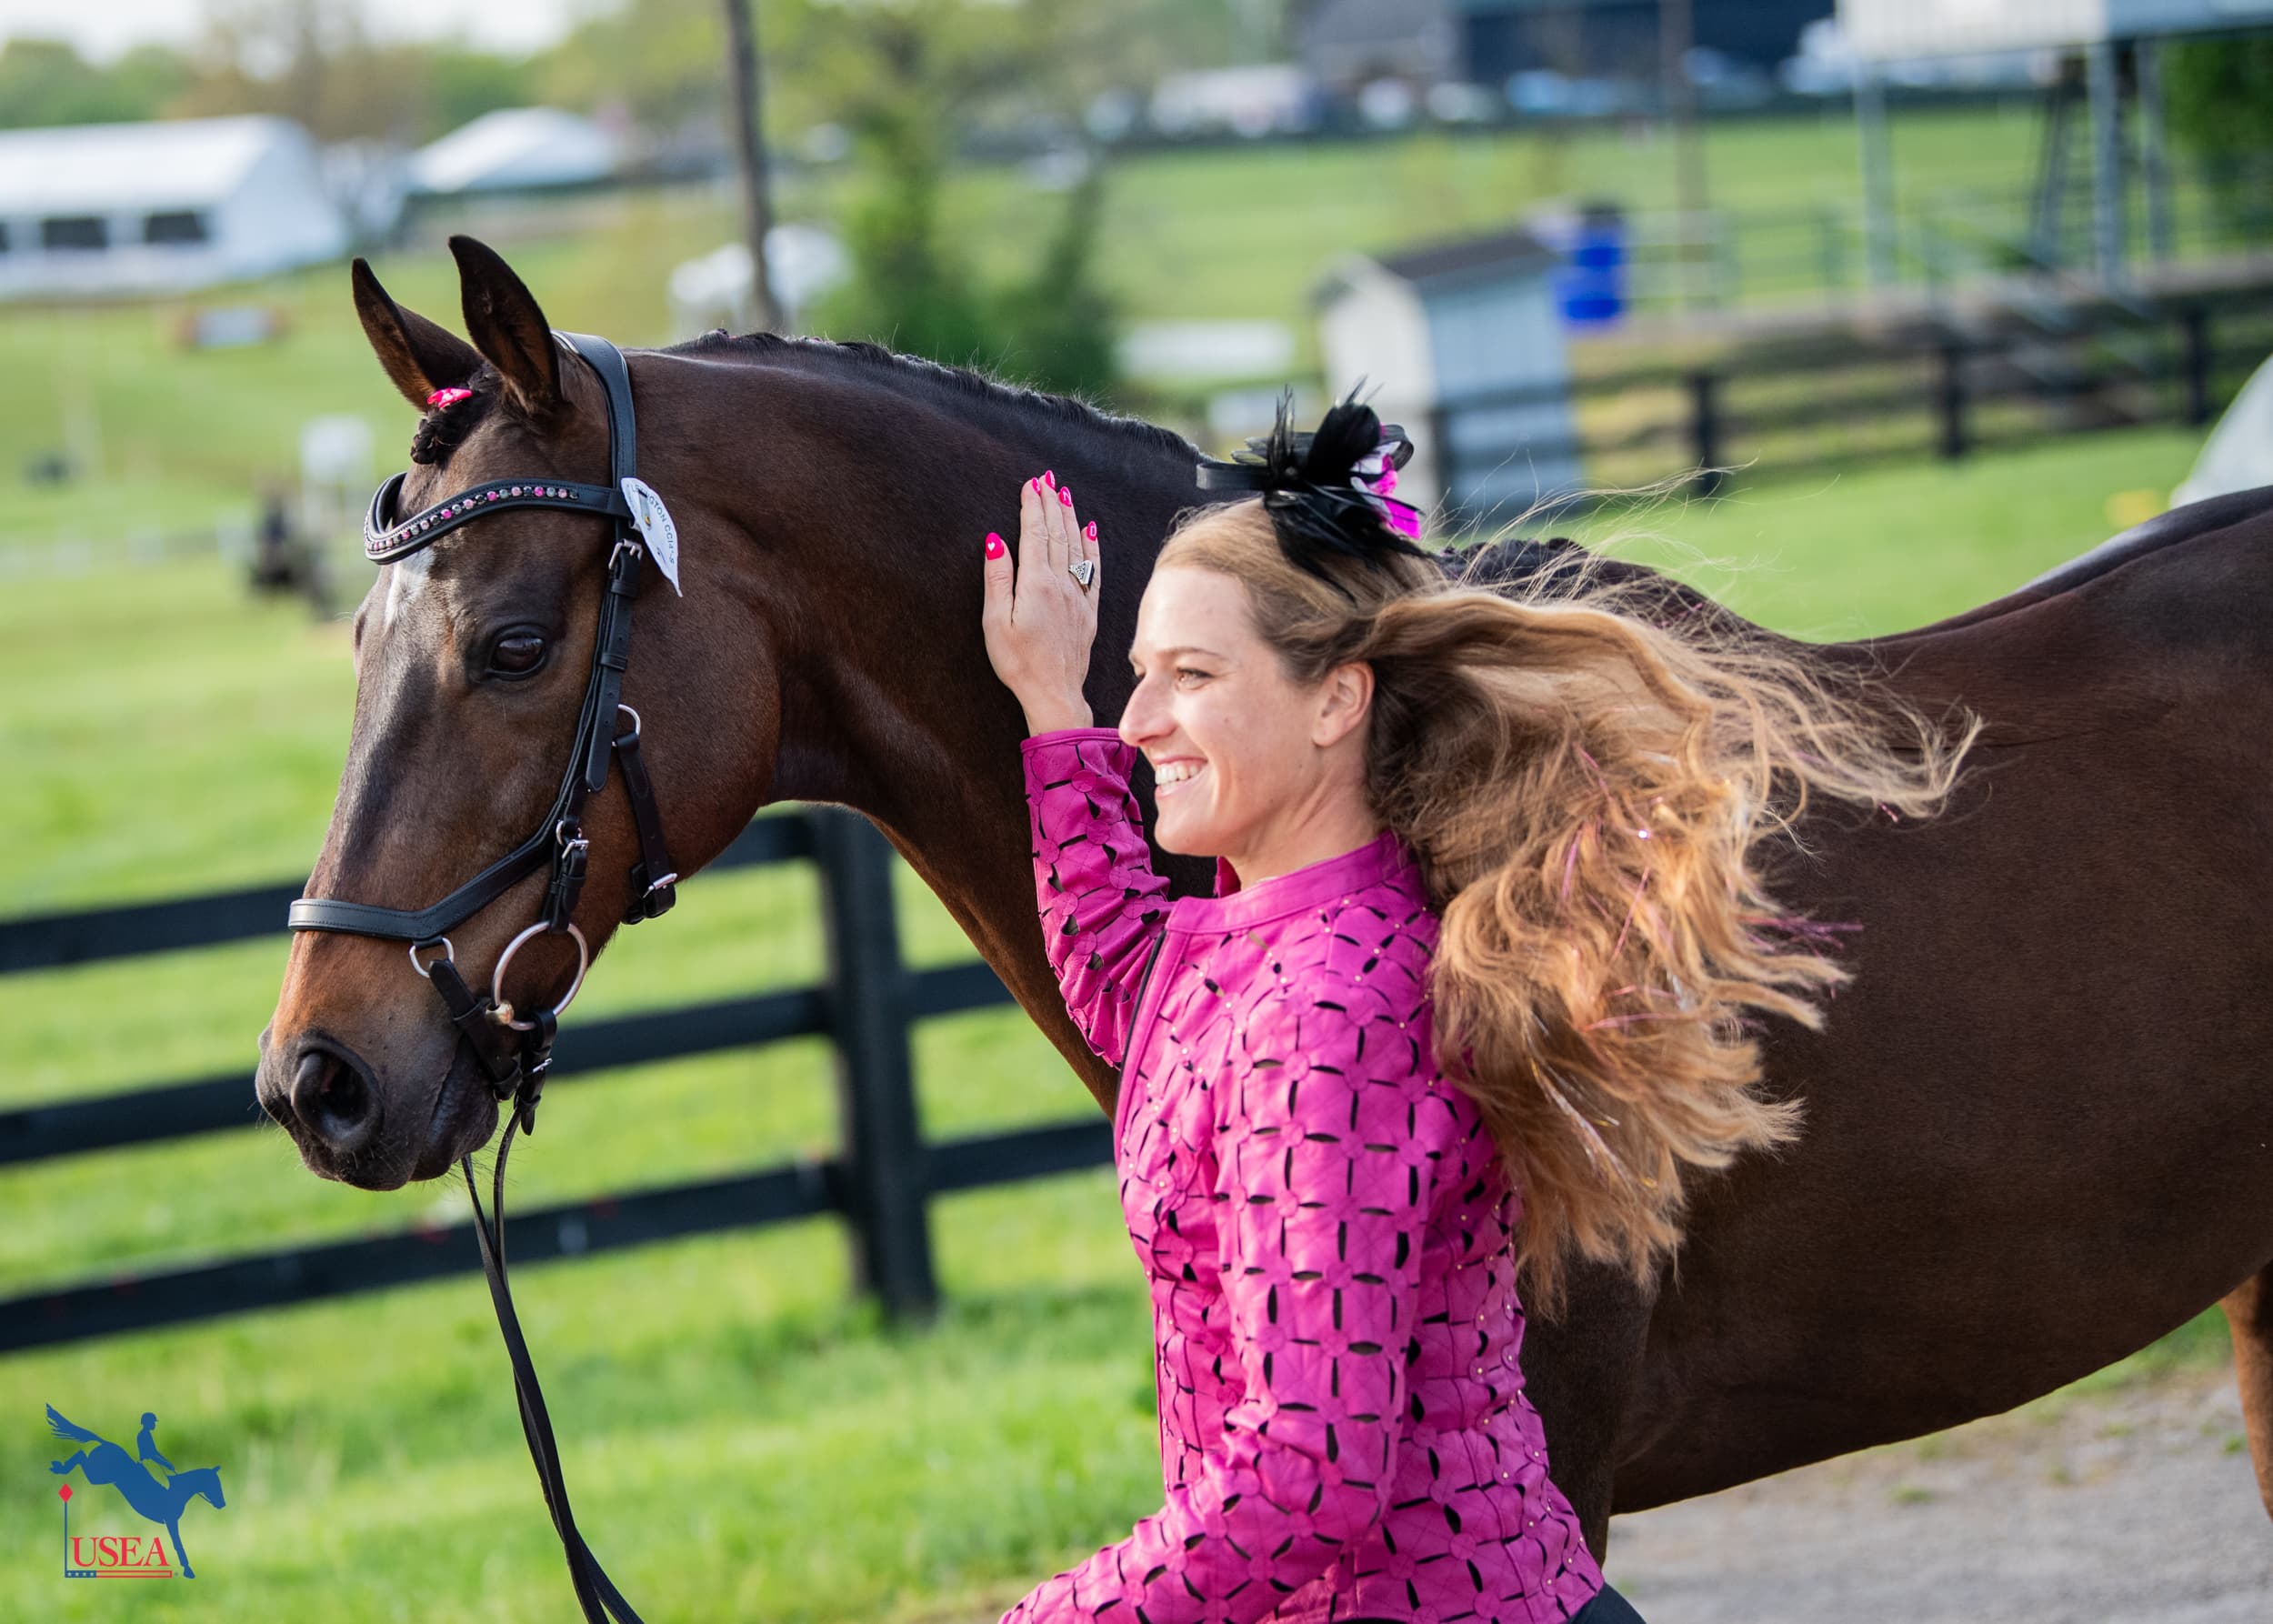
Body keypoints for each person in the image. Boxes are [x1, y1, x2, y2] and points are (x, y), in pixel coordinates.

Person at [978, 395, 1976, 1624]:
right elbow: (1130, 989)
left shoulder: (1333, 1010)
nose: (1139, 723)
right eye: (1138, 677)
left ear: (1337, 701)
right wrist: (1050, 708)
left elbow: (1306, 1474)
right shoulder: (1258, 947)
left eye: (1189, 675)